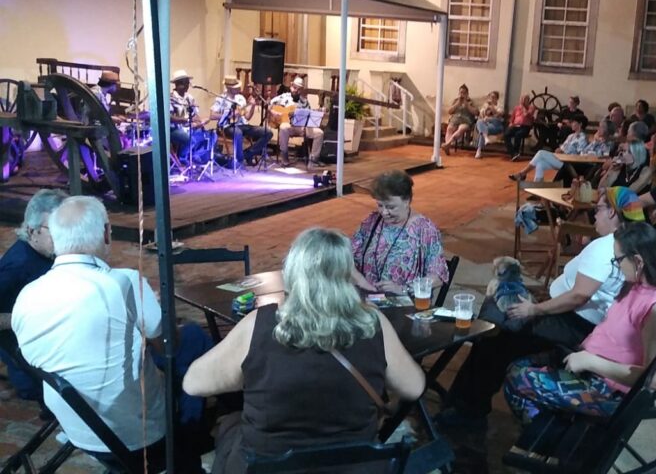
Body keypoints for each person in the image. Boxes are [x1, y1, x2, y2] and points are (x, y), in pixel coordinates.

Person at [183, 227, 425, 472]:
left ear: (292, 272)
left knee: (230, 425)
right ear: (347, 274)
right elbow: (414, 387)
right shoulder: (373, 322)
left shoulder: (259, 323)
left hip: (270, 466)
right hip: (353, 466)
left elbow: (194, 383)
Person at [12, 196, 205, 472]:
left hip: (77, 427)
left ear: (55, 238)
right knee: (194, 339)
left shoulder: (27, 296)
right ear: (106, 233)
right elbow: (168, 346)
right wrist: (160, 309)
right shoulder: (124, 283)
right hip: (138, 436)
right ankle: (193, 436)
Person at [438, 187, 648, 426]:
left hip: (573, 322)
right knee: (497, 327)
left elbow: (579, 296)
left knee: (496, 336)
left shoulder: (605, 247)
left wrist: (535, 309)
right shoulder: (630, 241)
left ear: (612, 213)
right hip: (577, 320)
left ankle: (466, 410)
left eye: (598, 209)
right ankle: (464, 403)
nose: (594, 215)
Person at [504, 221, 656, 421]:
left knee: (517, 380)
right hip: (595, 367)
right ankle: (549, 431)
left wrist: (591, 362)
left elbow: (654, 379)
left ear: (638, 262)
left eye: (618, 260)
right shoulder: (638, 286)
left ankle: (549, 442)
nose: (616, 266)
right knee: (516, 365)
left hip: (612, 390)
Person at [0, 189, 66, 401]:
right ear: (32, 230)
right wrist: (29, 317)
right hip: (30, 357)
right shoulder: (15, 267)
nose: (65, 236)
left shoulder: (48, 252)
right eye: (56, 229)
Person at [350, 170, 449, 294]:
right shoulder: (373, 221)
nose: (384, 212)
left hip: (405, 301)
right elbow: (345, 258)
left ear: (407, 201)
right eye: (380, 205)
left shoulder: (424, 229)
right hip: (368, 297)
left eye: (391, 207)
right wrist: (362, 282)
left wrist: (403, 289)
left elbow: (437, 277)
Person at [211, 75, 273, 167]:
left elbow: (247, 117)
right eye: (236, 87)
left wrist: (252, 106)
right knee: (238, 132)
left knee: (267, 132)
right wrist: (229, 115)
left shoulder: (241, 98)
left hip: (243, 124)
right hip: (227, 126)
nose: (239, 88)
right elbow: (212, 115)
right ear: (229, 88)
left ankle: (247, 154)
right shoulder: (221, 99)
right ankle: (239, 161)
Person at [508, 116, 589, 182]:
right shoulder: (571, 136)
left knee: (541, 153)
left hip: (568, 163)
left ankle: (522, 174)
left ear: (580, 124)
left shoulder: (582, 138)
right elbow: (563, 147)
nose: (571, 124)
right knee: (540, 163)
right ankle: (537, 191)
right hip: (560, 158)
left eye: (574, 122)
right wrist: (559, 149)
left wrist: (564, 153)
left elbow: (580, 156)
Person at [269, 76, 325, 168]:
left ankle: (313, 160)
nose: (296, 91)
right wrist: (274, 112)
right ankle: (285, 158)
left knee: (319, 133)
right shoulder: (284, 97)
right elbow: (269, 104)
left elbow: (309, 116)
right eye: (294, 88)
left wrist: (319, 112)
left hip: (302, 127)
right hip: (288, 126)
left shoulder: (304, 101)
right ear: (291, 86)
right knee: (283, 127)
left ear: (301, 90)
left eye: (299, 89)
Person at [168, 69, 200, 158]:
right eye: (183, 83)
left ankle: (195, 157)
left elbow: (196, 115)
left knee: (206, 135)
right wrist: (185, 120)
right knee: (189, 139)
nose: (186, 86)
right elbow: (168, 117)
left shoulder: (189, 98)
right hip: (174, 129)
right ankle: (181, 158)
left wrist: (198, 122)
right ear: (176, 84)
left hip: (188, 127)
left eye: (187, 83)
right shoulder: (170, 98)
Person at [442, 84, 479, 155]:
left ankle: (448, 144)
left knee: (461, 128)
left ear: (467, 94)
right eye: (460, 93)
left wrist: (467, 105)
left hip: (466, 121)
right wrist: (457, 104)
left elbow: (476, 113)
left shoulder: (471, 102)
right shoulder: (456, 100)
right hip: (455, 120)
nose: (462, 94)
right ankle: (448, 146)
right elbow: (449, 111)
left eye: (464, 93)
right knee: (449, 128)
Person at [504, 94, 536, 161]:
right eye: (522, 99)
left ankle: (516, 152)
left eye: (525, 99)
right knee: (506, 135)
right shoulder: (516, 108)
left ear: (528, 100)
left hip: (525, 127)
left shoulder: (531, 107)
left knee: (518, 135)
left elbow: (526, 114)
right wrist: (511, 123)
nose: (523, 101)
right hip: (515, 126)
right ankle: (513, 154)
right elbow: (512, 118)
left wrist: (523, 107)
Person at [475, 91, 504, 158]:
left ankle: (479, 151)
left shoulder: (500, 106)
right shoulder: (486, 105)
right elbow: (481, 115)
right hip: (487, 125)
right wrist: (485, 110)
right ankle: (485, 139)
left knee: (482, 130)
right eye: (491, 97)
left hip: (496, 125)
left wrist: (492, 107)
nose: (492, 99)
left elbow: (498, 115)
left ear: (497, 98)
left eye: (494, 97)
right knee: (479, 122)